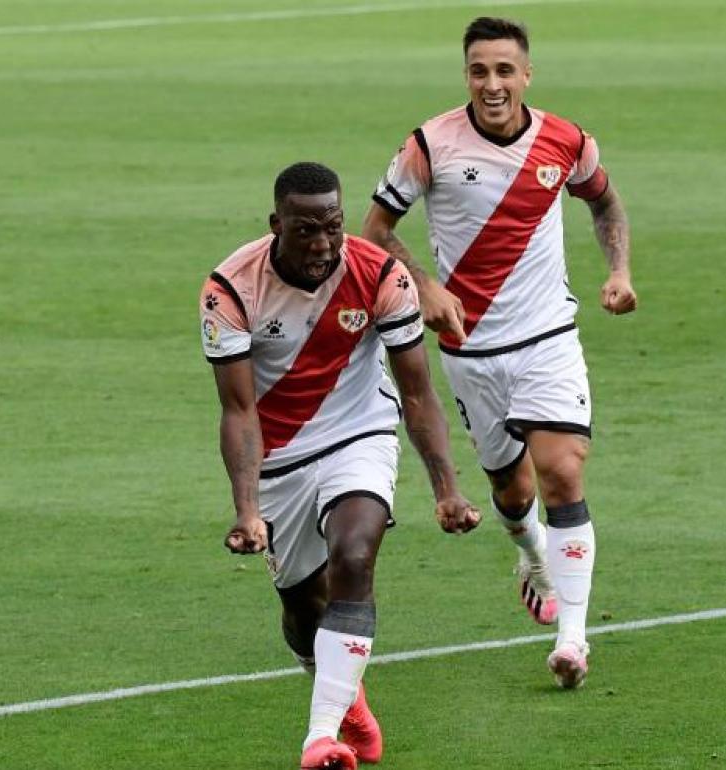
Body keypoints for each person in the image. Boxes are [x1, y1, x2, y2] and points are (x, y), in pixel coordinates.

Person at [361, 16, 637, 690]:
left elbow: (605, 206)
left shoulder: (566, 140)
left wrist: (619, 271)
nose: (492, 83)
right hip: (471, 350)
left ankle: (573, 639)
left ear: (527, 75)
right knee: (512, 494)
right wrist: (424, 285)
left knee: (562, 472)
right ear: (466, 76)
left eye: (504, 70)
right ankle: (533, 555)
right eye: (480, 71)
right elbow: (373, 233)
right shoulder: (430, 145)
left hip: (548, 338)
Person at [201, 161, 480, 769]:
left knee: (355, 554)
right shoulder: (231, 288)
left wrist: (447, 490)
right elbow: (239, 408)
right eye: (305, 230)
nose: (322, 244)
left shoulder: (380, 274)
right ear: (277, 224)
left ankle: (320, 737)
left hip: (360, 431)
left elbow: (417, 392)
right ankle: (347, 702)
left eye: (332, 226)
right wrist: (247, 511)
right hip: (278, 457)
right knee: (305, 613)